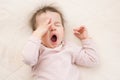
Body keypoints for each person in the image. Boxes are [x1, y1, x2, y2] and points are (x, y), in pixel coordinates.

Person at [22, 6, 99, 80]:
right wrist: (36, 35)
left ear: (63, 30)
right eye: (45, 27)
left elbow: (92, 60)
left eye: (57, 24)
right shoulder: (37, 50)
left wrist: (85, 39)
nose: (52, 28)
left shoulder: (69, 47)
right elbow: (28, 59)